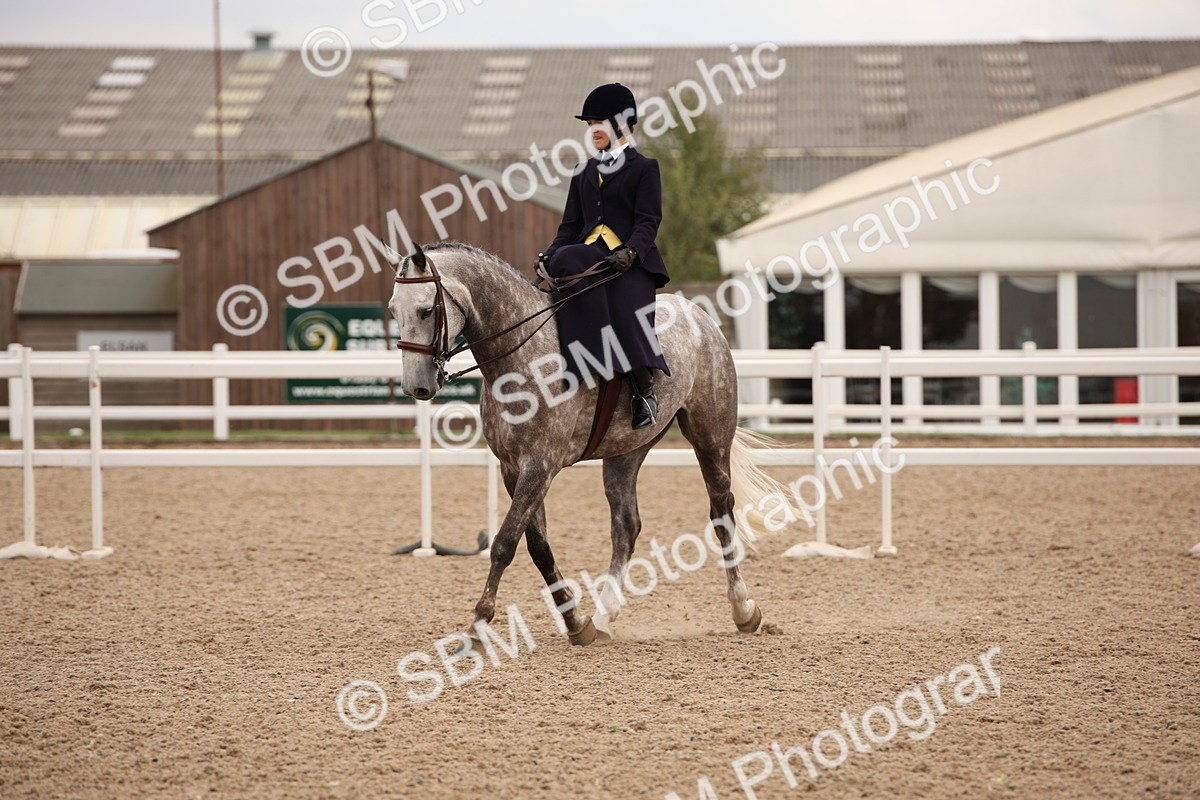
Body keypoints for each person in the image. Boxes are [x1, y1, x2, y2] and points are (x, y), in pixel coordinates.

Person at [538, 82, 670, 430]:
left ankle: (644, 389)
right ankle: (577, 365)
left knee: (624, 308)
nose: (592, 130)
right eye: (589, 124)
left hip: (628, 263)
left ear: (622, 125)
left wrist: (631, 251)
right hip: (589, 257)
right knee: (565, 261)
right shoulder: (583, 172)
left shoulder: (645, 168)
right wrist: (547, 256)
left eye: (599, 123)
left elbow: (648, 221)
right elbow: (569, 226)